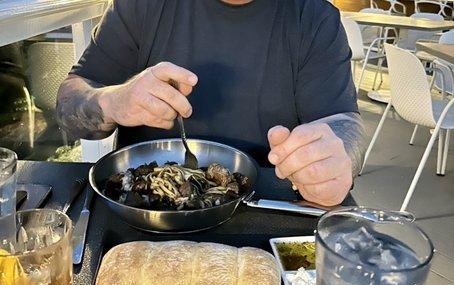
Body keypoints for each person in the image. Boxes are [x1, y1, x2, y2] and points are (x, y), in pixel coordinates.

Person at [57, 0, 367, 206]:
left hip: (271, 212)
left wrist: (335, 160)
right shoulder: (142, 5)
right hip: (142, 213)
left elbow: (344, 122)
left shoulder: (313, 16)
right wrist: (112, 101)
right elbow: (68, 103)